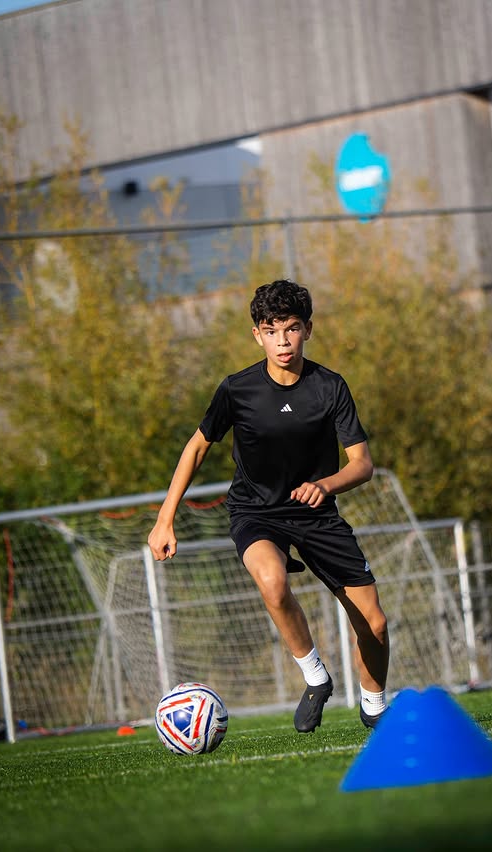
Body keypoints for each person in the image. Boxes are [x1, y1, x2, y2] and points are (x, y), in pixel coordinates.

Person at [148, 279, 389, 732]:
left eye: (292, 328)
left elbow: (362, 464)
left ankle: (375, 708)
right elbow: (196, 448)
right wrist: (165, 520)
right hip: (256, 513)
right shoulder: (236, 389)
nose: (283, 340)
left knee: (374, 623)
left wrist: (325, 485)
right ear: (257, 335)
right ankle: (315, 677)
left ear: (308, 330)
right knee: (273, 582)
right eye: (271, 330)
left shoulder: (330, 387)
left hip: (317, 514)